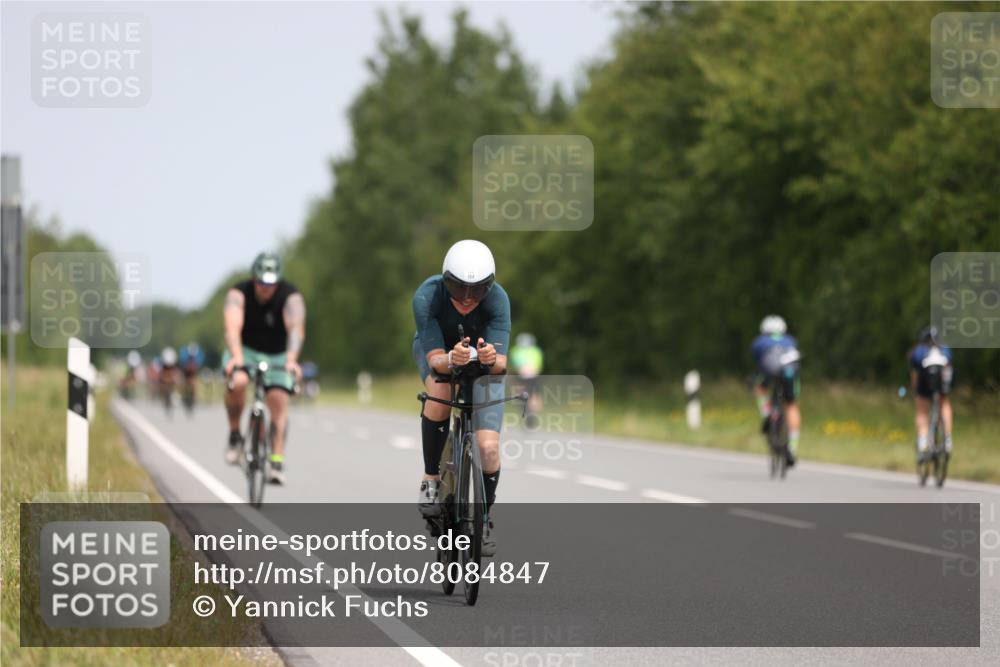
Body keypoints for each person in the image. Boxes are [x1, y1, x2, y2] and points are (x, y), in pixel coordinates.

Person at [412, 240, 510, 556]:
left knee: (488, 448)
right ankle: (431, 479)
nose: (467, 298)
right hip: (441, 354)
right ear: (445, 281)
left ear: (489, 286)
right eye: (458, 288)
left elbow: (501, 365)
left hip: (483, 366)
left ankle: (485, 518)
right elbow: (436, 361)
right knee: (441, 390)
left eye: (477, 290)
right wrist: (453, 358)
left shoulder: (498, 299)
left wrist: (491, 357)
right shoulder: (427, 296)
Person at [222, 252, 305, 484]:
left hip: (278, 354)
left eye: (271, 284)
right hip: (245, 350)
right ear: (253, 278)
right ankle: (235, 435)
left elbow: (296, 330)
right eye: (261, 283)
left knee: (278, 399)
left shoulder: (291, 296)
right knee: (238, 382)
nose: (266, 289)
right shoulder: (238, 293)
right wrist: (237, 357)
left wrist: (291, 359)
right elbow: (232, 328)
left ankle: (276, 461)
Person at [751, 315, 802, 466]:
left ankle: (767, 414)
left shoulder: (759, 341)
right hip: (789, 373)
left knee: (760, 388)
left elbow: (758, 363)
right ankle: (792, 447)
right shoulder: (791, 340)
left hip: (769, 371)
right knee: (791, 405)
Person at [909, 326, 954, 463]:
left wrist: (915, 391)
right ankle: (947, 439)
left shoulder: (919, 350)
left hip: (925, 377)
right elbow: (949, 370)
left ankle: (923, 442)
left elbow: (915, 377)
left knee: (922, 410)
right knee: (944, 403)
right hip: (941, 376)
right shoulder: (945, 349)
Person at [510, 332, 544, 418]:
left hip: (521, 377)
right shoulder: (536, 351)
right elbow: (538, 366)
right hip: (533, 376)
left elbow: (514, 366)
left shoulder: (515, 350)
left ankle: (527, 411)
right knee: (534, 395)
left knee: (520, 394)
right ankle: (532, 413)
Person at [179, 342, 205, 408]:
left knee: (195, 384)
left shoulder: (198, 356)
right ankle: (183, 396)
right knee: (183, 384)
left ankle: (194, 397)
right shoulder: (184, 356)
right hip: (185, 373)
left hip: (193, 374)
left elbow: (197, 367)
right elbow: (183, 367)